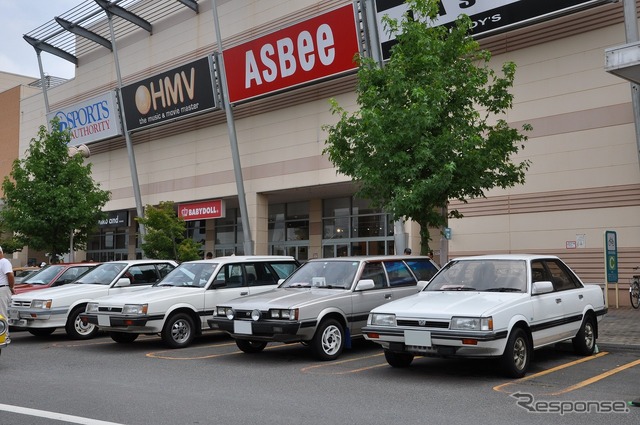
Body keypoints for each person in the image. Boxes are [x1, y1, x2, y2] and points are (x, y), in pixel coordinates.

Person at [0, 246, 15, 340]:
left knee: (2, 312)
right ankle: (4, 335)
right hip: (3, 288)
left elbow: (9, 275)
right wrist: (11, 287)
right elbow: (10, 275)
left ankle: (3, 335)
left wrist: (10, 286)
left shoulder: (3, 262)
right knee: (2, 312)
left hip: (2, 288)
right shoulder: (4, 262)